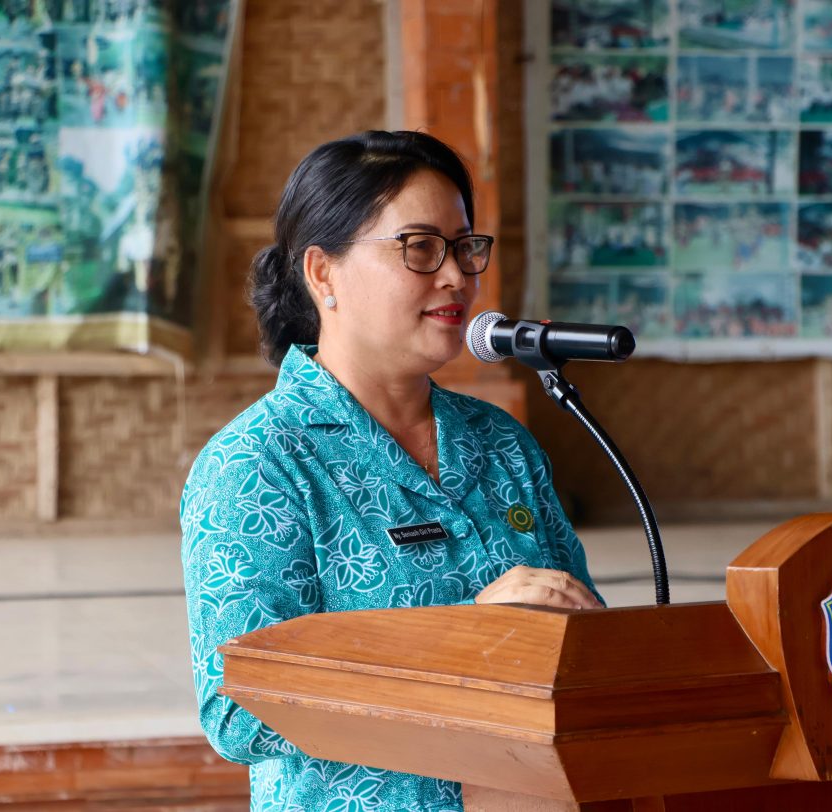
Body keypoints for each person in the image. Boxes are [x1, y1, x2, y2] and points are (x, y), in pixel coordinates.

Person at [181, 130, 603, 811]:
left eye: (465, 246)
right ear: (323, 273)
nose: (457, 277)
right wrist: (464, 637)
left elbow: (584, 635)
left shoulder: (500, 444)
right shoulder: (257, 464)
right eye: (419, 247)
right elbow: (239, 712)